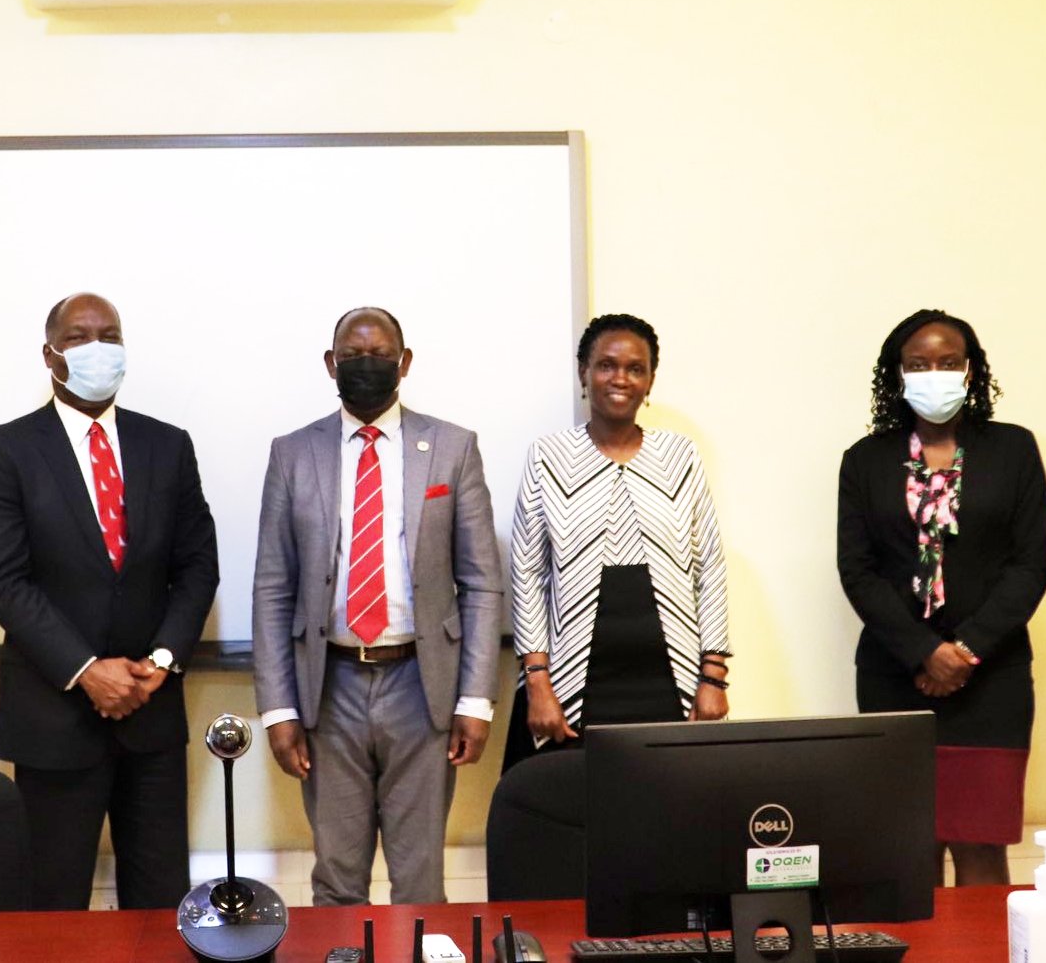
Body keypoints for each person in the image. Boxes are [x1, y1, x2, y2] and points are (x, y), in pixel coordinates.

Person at [0, 292, 219, 910]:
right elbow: (4, 581)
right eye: (79, 337)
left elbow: (197, 566)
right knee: (51, 903)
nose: (97, 348)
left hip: (151, 714)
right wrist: (86, 671)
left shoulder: (168, 445)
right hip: (53, 716)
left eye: (109, 335)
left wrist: (160, 664)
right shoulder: (4, 450)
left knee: (162, 905)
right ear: (50, 354)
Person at [251, 307, 505, 905]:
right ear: (331, 364)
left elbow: (481, 581)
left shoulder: (451, 448)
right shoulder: (291, 453)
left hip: (423, 684)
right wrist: (278, 710)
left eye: (381, 355)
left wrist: (475, 699)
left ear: (404, 363)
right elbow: (271, 586)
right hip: (328, 686)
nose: (367, 365)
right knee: (337, 879)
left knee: (420, 880)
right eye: (353, 355)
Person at [836, 309, 1046, 886]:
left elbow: (1032, 563)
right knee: (908, 850)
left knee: (982, 847)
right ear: (897, 375)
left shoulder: (1013, 450)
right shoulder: (865, 460)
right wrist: (924, 652)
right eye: (918, 364)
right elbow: (857, 571)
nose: (935, 374)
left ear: (972, 371)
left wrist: (964, 651)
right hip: (894, 678)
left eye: (949, 362)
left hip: (993, 680)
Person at [505, 313, 732, 769]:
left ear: (649, 381)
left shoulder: (679, 454)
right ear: (583, 373)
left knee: (668, 819)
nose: (620, 378)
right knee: (576, 821)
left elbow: (709, 565)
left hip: (672, 681)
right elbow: (527, 575)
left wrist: (715, 677)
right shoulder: (548, 457)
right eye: (606, 365)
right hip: (572, 685)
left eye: (635, 368)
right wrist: (537, 682)